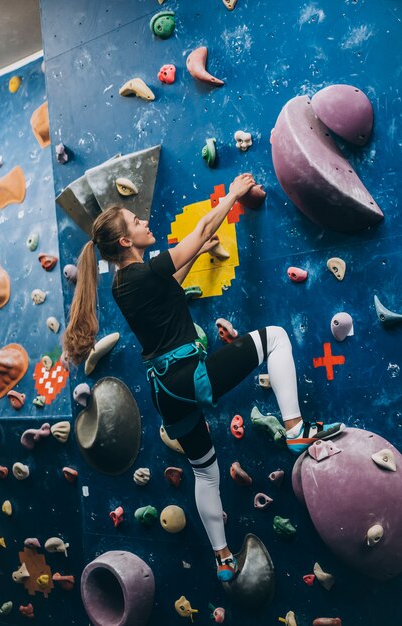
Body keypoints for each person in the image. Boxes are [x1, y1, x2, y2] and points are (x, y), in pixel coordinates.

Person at [62, 173, 344, 583]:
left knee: (206, 471)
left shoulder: (126, 283)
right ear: (124, 242)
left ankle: (223, 557)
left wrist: (195, 256)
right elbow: (201, 228)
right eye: (134, 222)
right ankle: (296, 428)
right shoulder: (141, 271)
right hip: (186, 375)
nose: (143, 223)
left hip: (165, 393)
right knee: (278, 338)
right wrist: (231, 193)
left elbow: (169, 289)